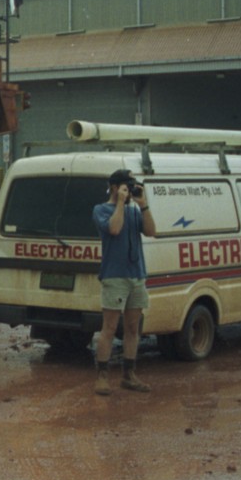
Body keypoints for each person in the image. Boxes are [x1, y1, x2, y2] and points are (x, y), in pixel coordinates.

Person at [92, 168, 156, 395]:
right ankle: (102, 376)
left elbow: (151, 231)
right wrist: (119, 202)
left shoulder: (134, 211)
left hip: (136, 275)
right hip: (114, 276)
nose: (129, 191)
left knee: (132, 328)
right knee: (109, 328)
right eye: (125, 187)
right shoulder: (101, 210)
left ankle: (129, 374)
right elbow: (114, 228)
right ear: (113, 187)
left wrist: (143, 205)